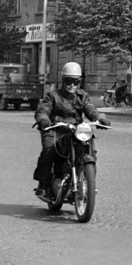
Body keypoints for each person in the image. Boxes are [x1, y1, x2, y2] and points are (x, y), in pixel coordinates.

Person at [32, 61, 102, 199]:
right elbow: (43, 109)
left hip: (75, 130)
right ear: (63, 81)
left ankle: (88, 182)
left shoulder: (83, 96)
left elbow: (90, 109)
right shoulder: (53, 96)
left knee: (91, 152)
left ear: (79, 82)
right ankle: (43, 183)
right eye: (69, 81)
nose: (72, 85)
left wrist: (99, 117)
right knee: (48, 151)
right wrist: (43, 119)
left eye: (75, 82)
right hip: (55, 129)